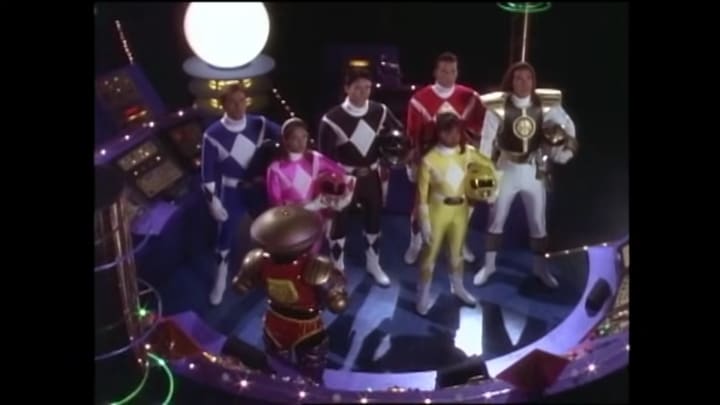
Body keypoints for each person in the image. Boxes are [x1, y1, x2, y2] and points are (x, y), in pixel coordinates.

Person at [473, 62, 578, 289]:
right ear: (511, 81)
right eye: (518, 78)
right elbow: (486, 144)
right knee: (496, 220)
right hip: (505, 168)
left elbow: (568, 126)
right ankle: (489, 266)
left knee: (538, 223)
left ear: (533, 81)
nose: (523, 82)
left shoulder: (546, 105)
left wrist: (566, 151)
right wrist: (484, 182)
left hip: (533, 169)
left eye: (528, 78)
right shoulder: (497, 107)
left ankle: (541, 268)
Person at [231, 205, 348, 385]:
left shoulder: (258, 260)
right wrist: (335, 290)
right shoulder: (316, 266)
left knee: (281, 369)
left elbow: (240, 287)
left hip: (280, 323)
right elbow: (339, 305)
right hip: (304, 327)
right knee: (305, 373)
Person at [317, 68, 403, 286]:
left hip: (371, 176)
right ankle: (338, 269)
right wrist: (333, 182)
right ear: (346, 88)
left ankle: (374, 264)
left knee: (374, 220)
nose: (363, 93)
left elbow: (398, 135)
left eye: (367, 88)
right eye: (357, 88)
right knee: (339, 223)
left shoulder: (380, 111)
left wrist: (388, 155)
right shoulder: (332, 119)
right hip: (344, 179)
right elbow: (324, 158)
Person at [201, 84, 281, 305]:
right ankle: (220, 280)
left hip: (258, 188)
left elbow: (287, 132)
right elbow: (207, 172)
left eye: (242, 101)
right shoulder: (212, 134)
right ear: (223, 105)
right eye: (232, 102)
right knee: (224, 236)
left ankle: (275, 273)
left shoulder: (259, 123)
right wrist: (213, 201)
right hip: (231, 191)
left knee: (271, 233)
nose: (238, 106)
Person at [403, 52, 486, 265]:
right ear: (435, 72)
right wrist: (413, 162)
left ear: (457, 72)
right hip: (430, 160)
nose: (448, 75)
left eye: (452, 71)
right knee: (420, 203)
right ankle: (415, 243)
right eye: (443, 71)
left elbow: (481, 129)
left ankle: (459, 243)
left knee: (464, 203)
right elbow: (412, 135)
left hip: (461, 160)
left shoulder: (471, 97)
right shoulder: (419, 99)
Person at [415, 112, 498, 315]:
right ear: (440, 133)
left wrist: (488, 188)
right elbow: (421, 196)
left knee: (456, 253)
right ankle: (423, 295)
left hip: (460, 210)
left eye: (457, 132)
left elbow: (489, 165)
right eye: (450, 133)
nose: (455, 137)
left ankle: (458, 287)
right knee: (430, 255)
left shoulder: (467, 153)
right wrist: (424, 223)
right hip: (437, 210)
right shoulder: (429, 159)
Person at [266, 117, 356, 253]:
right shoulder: (275, 169)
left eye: (304, 136)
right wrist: (310, 206)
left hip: (317, 220)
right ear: (285, 140)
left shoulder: (315, 158)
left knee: (315, 256)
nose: (301, 142)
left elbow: (343, 175)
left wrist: (341, 199)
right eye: (295, 138)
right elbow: (277, 208)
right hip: (292, 224)